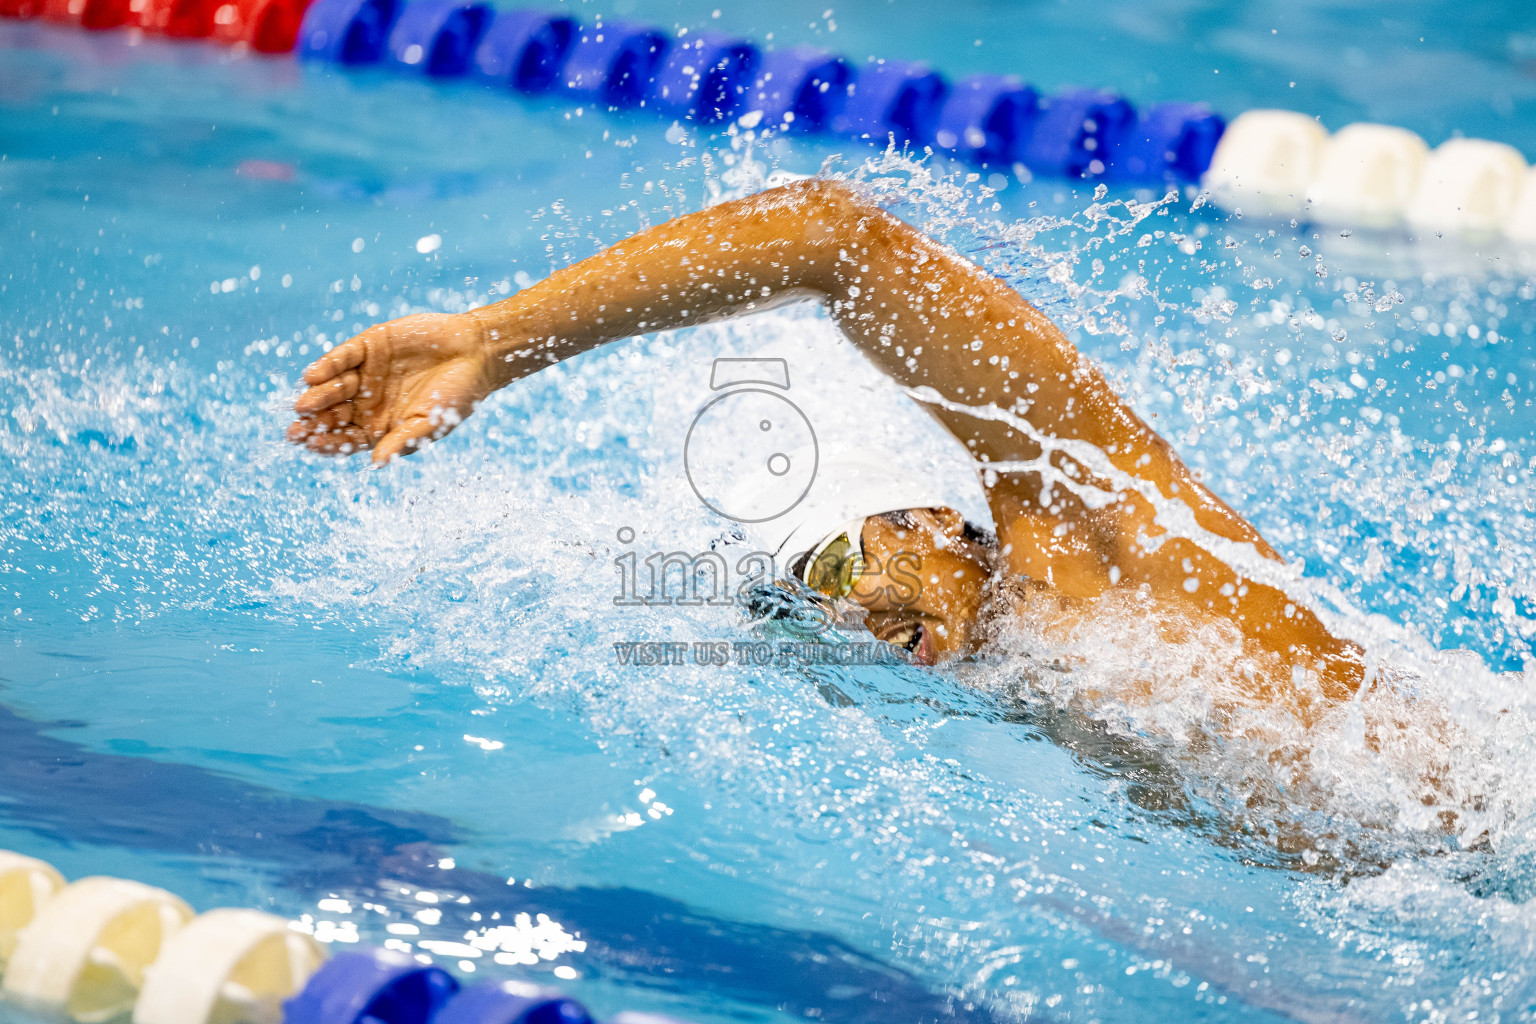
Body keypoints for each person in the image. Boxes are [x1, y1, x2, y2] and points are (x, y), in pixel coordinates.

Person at [287, 178, 1363, 714]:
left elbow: (832, 235)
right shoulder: (1018, 676)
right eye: (818, 595)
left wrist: (494, 341)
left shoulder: (1097, 520)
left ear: (935, 519)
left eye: (847, 563)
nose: (858, 615)